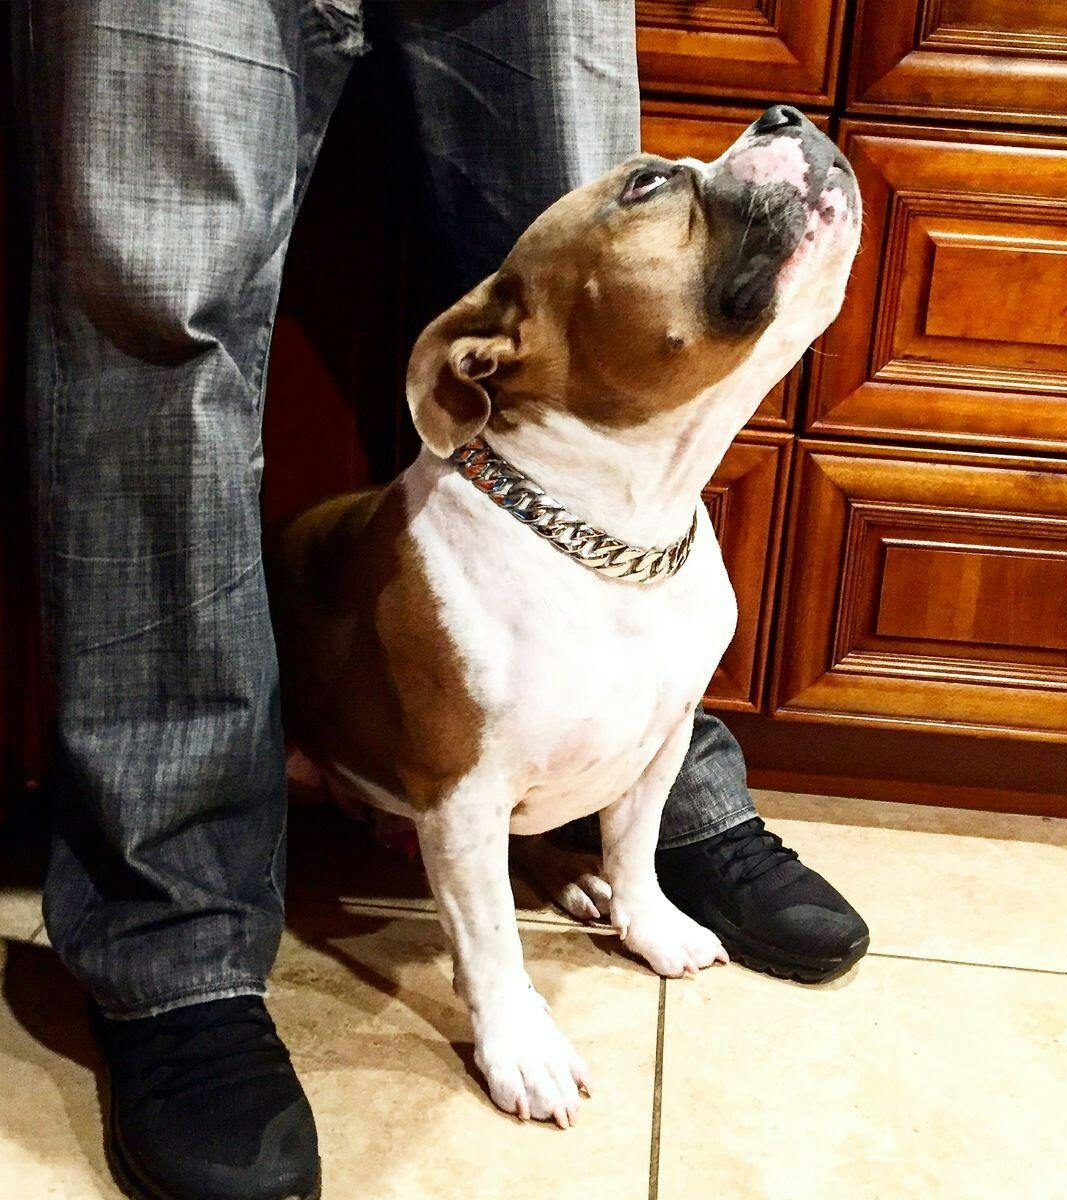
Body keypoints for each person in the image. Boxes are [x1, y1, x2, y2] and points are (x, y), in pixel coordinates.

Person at [12, 2, 869, 1197]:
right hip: (414, 707)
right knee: (158, 295)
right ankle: (174, 930)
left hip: (602, 560)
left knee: (570, 181)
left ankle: (632, 822)